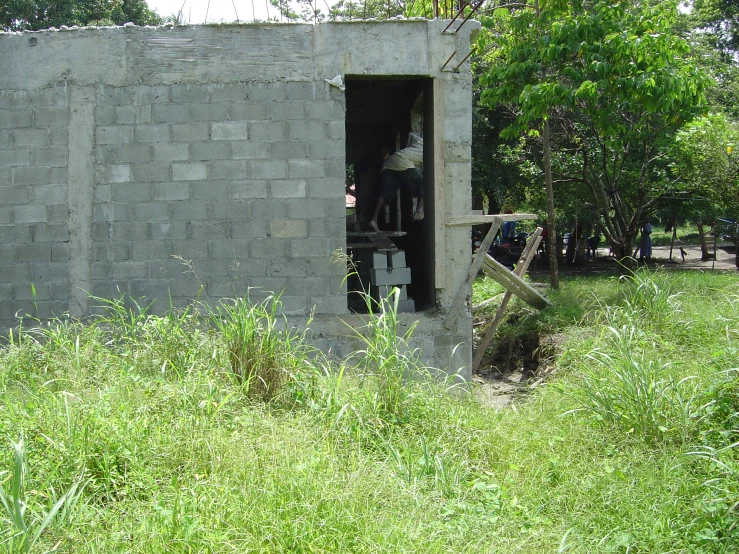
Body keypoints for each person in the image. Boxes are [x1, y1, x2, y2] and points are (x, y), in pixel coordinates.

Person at [368, 133, 424, 232]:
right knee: (425, 185)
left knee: (384, 192)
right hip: (403, 161)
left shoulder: (419, 141)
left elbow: (409, 134)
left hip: (391, 160)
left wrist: (408, 148)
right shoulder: (432, 153)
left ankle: (373, 220)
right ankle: (418, 212)